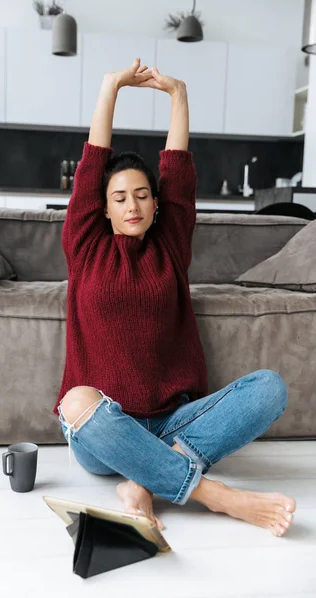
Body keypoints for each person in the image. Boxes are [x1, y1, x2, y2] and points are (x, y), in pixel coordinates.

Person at [53, 58, 296, 537]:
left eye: (143, 195)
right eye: (119, 197)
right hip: (104, 433)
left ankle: (142, 482)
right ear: (100, 208)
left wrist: (178, 94)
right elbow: (93, 165)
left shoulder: (171, 245)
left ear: (157, 202)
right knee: (75, 401)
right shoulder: (84, 246)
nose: (132, 205)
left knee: (270, 386)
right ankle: (216, 495)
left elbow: (179, 174)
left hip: (172, 424)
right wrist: (110, 88)